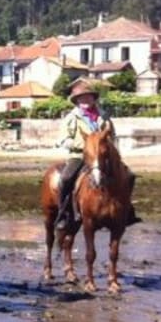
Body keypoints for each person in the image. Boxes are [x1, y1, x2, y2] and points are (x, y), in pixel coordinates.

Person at [55, 80, 141, 229]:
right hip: (79, 156)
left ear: (93, 98)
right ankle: (65, 215)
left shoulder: (104, 116)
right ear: (77, 101)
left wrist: (108, 150)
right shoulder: (71, 118)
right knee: (66, 179)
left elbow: (112, 136)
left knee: (129, 176)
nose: (85, 100)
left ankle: (127, 211)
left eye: (88, 97)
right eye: (82, 98)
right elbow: (63, 139)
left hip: (103, 157)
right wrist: (84, 146)